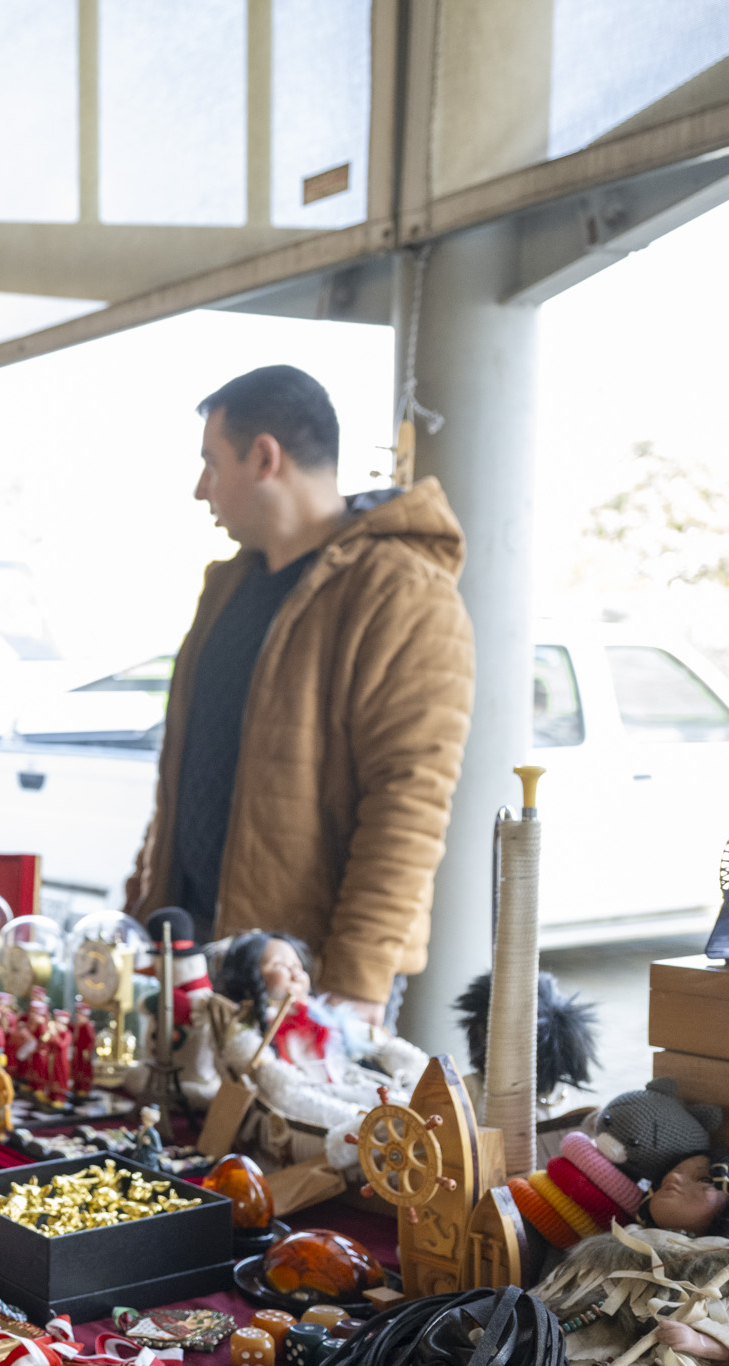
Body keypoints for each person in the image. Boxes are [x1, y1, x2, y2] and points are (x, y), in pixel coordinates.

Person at [126, 365, 473, 1029]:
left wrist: (358, 983)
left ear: (264, 457)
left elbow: (409, 801)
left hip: (309, 974)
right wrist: (140, 906)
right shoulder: (227, 586)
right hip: (189, 952)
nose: (200, 490)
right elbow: (187, 769)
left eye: (209, 462)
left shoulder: (402, 592)